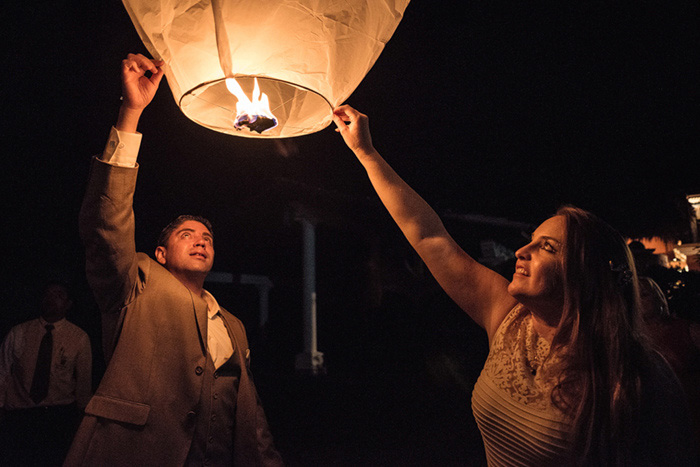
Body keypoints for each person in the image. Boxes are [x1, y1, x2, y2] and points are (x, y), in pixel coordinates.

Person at [332, 105, 697, 465]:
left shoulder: (635, 376)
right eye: (531, 239)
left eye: (547, 247)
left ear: (585, 275)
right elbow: (430, 236)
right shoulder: (508, 318)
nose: (522, 251)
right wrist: (366, 153)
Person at [65, 53, 283, 466]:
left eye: (207, 237)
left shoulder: (232, 326)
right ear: (161, 254)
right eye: (187, 235)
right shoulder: (135, 285)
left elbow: (250, 416)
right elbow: (105, 226)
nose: (200, 241)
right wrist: (132, 112)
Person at [0, 280, 92, 466]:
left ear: (68, 305)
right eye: (48, 295)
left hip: (57, 417)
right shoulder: (19, 332)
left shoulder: (78, 337)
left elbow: (83, 381)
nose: (51, 299)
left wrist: (83, 418)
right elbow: (3, 371)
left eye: (58, 296)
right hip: (21, 416)